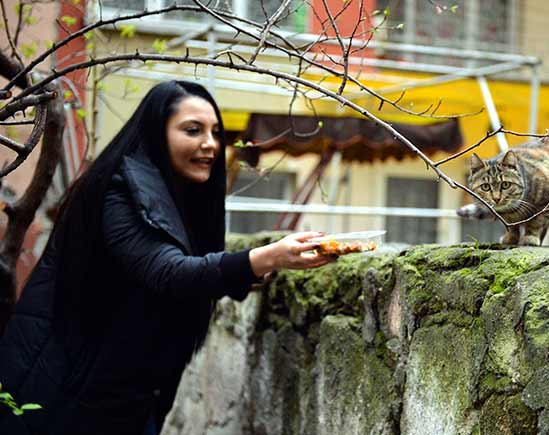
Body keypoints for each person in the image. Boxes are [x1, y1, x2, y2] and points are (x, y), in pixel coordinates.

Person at [0, 80, 335, 435]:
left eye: (215, 132)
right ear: (157, 133)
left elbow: (178, 271)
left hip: (127, 394)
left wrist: (248, 274)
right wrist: (265, 257)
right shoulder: (119, 189)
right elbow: (166, 271)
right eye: (192, 130)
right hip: (69, 394)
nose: (209, 143)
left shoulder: (177, 195)